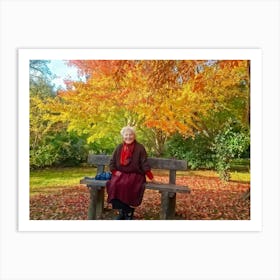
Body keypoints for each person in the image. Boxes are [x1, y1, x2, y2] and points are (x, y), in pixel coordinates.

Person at [106, 126, 154, 220]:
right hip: (120, 174)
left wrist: (151, 177)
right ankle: (124, 211)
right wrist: (115, 172)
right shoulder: (119, 147)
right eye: (126, 135)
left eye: (131, 134)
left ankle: (127, 212)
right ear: (123, 136)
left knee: (127, 184)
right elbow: (112, 162)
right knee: (113, 184)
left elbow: (144, 163)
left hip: (136, 174)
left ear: (134, 136)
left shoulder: (140, 148)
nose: (128, 137)